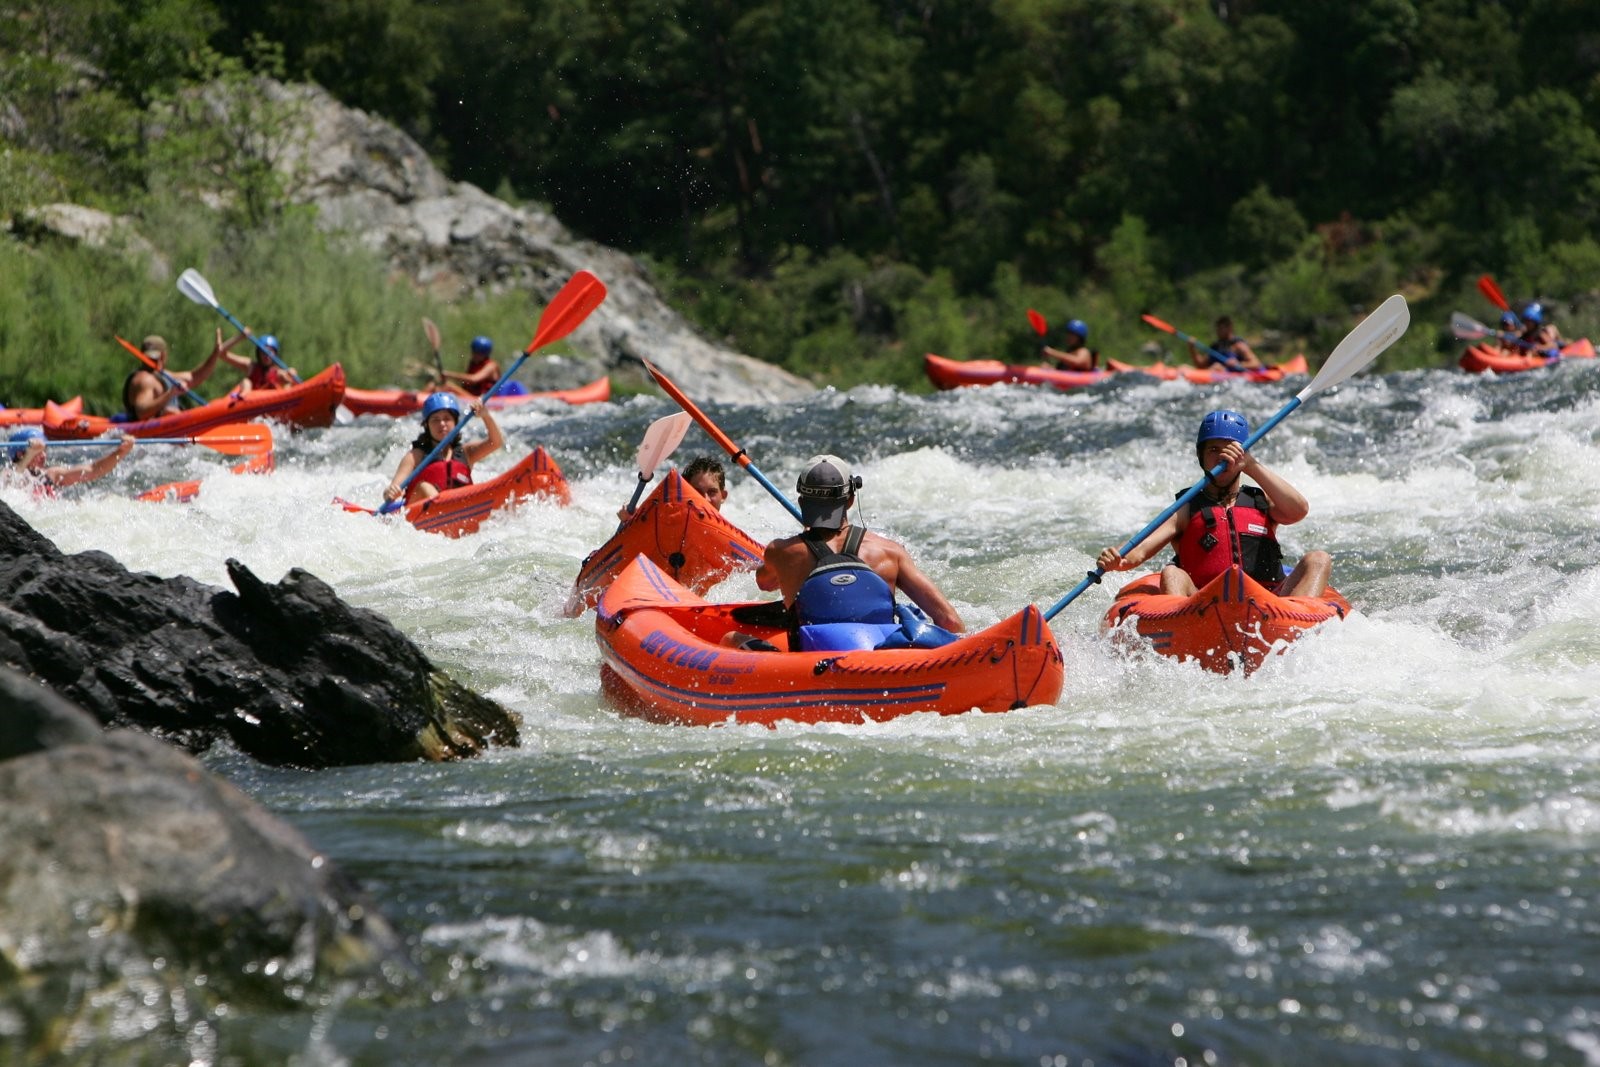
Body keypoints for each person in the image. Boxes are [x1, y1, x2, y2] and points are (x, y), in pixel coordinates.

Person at [1095, 410, 1331, 599]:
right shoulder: (1187, 507)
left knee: (1319, 559)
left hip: (1268, 604)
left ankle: (1297, 629)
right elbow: (1139, 550)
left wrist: (1251, 465)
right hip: (1204, 604)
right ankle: (1183, 639)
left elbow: (1299, 510)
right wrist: (1118, 559)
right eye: (1213, 450)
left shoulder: (1262, 501)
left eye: (1229, 450)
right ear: (1201, 456)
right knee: (1172, 573)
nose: (1221, 457)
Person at [754, 455, 966, 651]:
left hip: (811, 665)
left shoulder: (780, 552)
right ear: (850, 500)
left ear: (801, 502)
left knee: (731, 638)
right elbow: (950, 622)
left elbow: (764, 583)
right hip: (881, 664)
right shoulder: (890, 552)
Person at [382, 392, 503, 505]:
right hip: (422, 513)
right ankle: (445, 509)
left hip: (459, 508)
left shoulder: (466, 452)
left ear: (455, 422)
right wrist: (391, 492)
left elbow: (495, 442)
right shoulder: (415, 456)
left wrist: (486, 416)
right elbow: (390, 491)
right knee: (424, 487)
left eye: (447, 418)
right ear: (427, 425)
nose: (442, 424)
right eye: (435, 420)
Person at [122, 330, 235, 420]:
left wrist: (215, 354)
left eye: (155, 358)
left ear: (164, 356)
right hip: (151, 436)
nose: (152, 361)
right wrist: (170, 393)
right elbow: (141, 412)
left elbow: (194, 377)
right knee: (171, 412)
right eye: (149, 358)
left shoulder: (163, 374)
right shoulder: (144, 380)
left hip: (169, 434)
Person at [4, 427, 134, 495]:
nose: (44, 456)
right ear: (20, 454)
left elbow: (93, 470)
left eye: (44, 451)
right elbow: (9, 485)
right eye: (38, 452)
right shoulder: (7, 474)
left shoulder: (52, 475)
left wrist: (121, 452)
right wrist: (29, 454)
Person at [221, 334, 299, 395]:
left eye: (270, 352)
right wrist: (239, 337)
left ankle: (286, 403)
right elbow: (222, 353)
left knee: (288, 382)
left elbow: (296, 385)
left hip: (273, 404)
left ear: (275, 354)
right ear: (258, 353)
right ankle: (243, 398)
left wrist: (292, 374)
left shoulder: (278, 373)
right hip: (251, 403)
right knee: (246, 381)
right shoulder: (250, 366)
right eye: (263, 352)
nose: (266, 355)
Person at [1190, 316, 1264, 371]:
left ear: (1229, 328)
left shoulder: (1238, 345)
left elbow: (1256, 364)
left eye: (1221, 328)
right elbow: (1200, 365)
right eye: (1217, 328)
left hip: (1233, 379)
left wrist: (1238, 364)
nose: (1218, 331)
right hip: (1214, 373)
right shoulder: (1216, 347)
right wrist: (1192, 348)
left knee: (1217, 367)